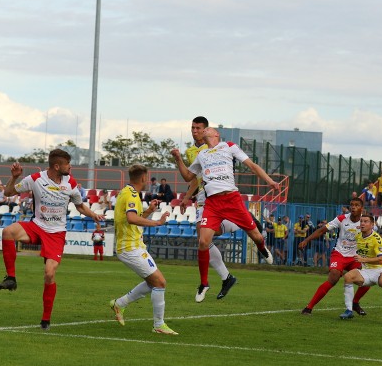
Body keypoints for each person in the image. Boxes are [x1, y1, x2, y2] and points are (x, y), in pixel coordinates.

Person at [0, 149, 104, 331]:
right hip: (37, 225)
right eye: (68, 164)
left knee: (49, 273)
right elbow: (7, 192)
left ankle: (45, 319)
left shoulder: (71, 183)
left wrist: (93, 215)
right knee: (8, 231)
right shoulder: (36, 178)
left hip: (56, 233)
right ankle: (11, 278)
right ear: (57, 166)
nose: (70, 167)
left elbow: (80, 206)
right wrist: (14, 178)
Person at [171, 127, 276, 302]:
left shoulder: (228, 146)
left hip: (232, 199)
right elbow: (188, 177)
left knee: (257, 237)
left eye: (206, 129)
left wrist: (270, 181)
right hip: (212, 203)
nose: (203, 131)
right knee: (203, 241)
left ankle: (262, 247)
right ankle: (204, 284)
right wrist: (178, 158)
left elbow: (252, 165)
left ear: (216, 134)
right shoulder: (201, 155)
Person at [109, 164, 177, 335]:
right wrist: (157, 222)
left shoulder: (128, 193)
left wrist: (148, 211)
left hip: (135, 245)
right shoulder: (131, 194)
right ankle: (158, 325)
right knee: (160, 282)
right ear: (143, 178)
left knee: (152, 282)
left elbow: (132, 218)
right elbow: (132, 219)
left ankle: (120, 304)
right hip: (129, 247)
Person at [180, 116, 238, 302]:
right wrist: (187, 197)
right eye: (193, 128)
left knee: (204, 236)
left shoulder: (213, 147)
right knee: (203, 238)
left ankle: (241, 222)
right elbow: (194, 178)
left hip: (215, 195)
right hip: (201, 197)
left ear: (206, 130)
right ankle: (226, 277)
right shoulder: (191, 151)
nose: (195, 131)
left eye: (198, 128)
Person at [298, 197, 370, 316]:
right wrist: (306, 240)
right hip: (340, 254)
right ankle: (309, 307)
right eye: (352, 204)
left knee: (368, 279)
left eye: (357, 205)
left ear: (362, 208)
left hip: (356, 257)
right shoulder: (341, 218)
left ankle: (355, 303)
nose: (353, 207)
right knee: (334, 277)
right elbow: (322, 230)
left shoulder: (365, 221)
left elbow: (372, 237)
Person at [340, 214, 382, 325]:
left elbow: (380, 259)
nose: (362, 223)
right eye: (361, 221)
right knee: (348, 277)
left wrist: (363, 259)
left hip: (380, 269)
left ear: (372, 225)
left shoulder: (376, 239)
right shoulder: (358, 235)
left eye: (366, 221)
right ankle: (349, 310)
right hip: (366, 271)